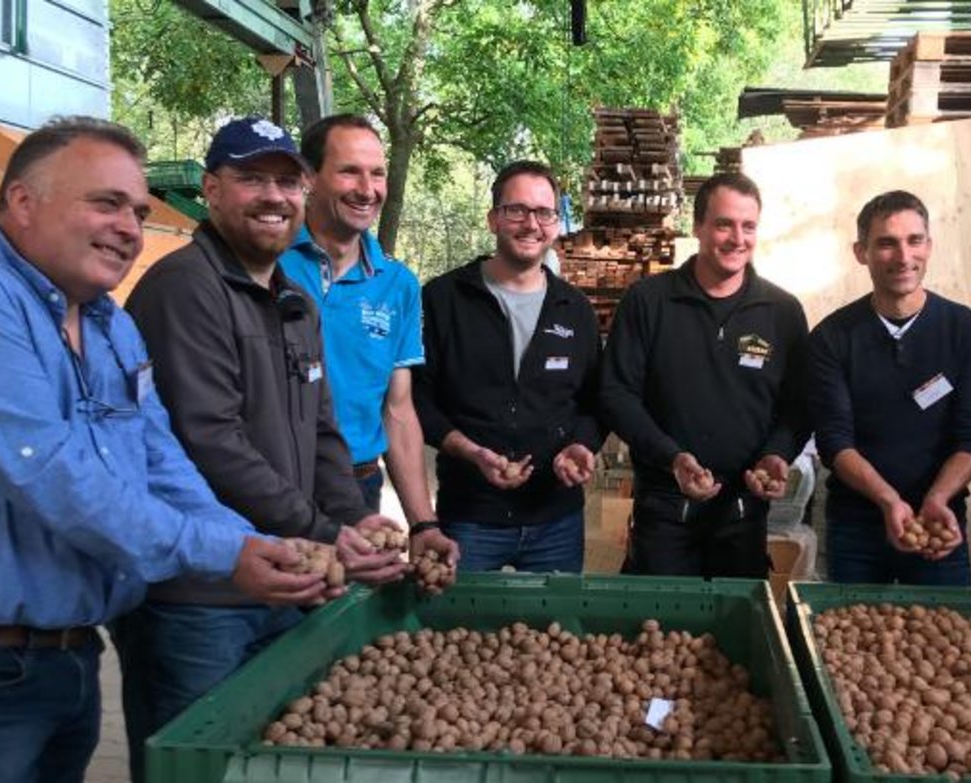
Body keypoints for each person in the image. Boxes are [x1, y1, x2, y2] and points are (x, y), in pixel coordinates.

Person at [0, 116, 323, 783]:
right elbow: (52, 473)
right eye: (106, 203)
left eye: (138, 212)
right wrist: (226, 554)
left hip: (70, 658)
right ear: (22, 201)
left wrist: (255, 544)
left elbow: (163, 464)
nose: (129, 228)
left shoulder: (110, 324)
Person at [114, 117, 457, 782]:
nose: (273, 196)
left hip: (287, 577)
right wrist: (323, 529)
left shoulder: (292, 299)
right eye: (252, 179)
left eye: (285, 181)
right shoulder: (184, 288)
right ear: (212, 189)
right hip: (201, 596)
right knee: (196, 765)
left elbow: (324, 431)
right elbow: (210, 439)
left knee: (268, 759)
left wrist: (352, 519)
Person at [600, 171, 810, 578]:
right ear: (697, 227)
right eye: (724, 224)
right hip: (664, 508)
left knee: (736, 616)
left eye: (748, 226)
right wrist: (671, 457)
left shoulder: (782, 312)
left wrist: (778, 453)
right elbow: (616, 393)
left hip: (744, 510)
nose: (737, 238)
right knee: (657, 615)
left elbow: (799, 405)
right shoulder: (649, 301)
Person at [412, 161, 602, 572]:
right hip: (470, 516)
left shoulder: (575, 309)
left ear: (556, 224)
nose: (531, 224)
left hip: (556, 520)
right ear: (493, 219)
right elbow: (418, 401)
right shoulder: (443, 299)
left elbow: (596, 400)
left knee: (555, 616)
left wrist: (583, 443)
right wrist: (470, 451)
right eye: (517, 210)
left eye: (544, 213)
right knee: (460, 616)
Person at [810, 190, 971, 585]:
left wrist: (937, 498)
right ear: (861, 252)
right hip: (855, 528)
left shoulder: (969, 332)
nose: (903, 256)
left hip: (939, 523)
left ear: (929, 246)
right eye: (886, 243)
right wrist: (888, 500)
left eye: (914, 240)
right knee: (851, 627)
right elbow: (834, 441)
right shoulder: (832, 338)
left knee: (943, 625)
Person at [278, 114, 436, 524]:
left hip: (358, 484)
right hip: (272, 480)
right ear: (309, 177)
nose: (367, 190)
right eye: (349, 171)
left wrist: (423, 523)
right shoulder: (269, 261)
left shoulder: (398, 284)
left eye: (377, 174)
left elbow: (397, 411)